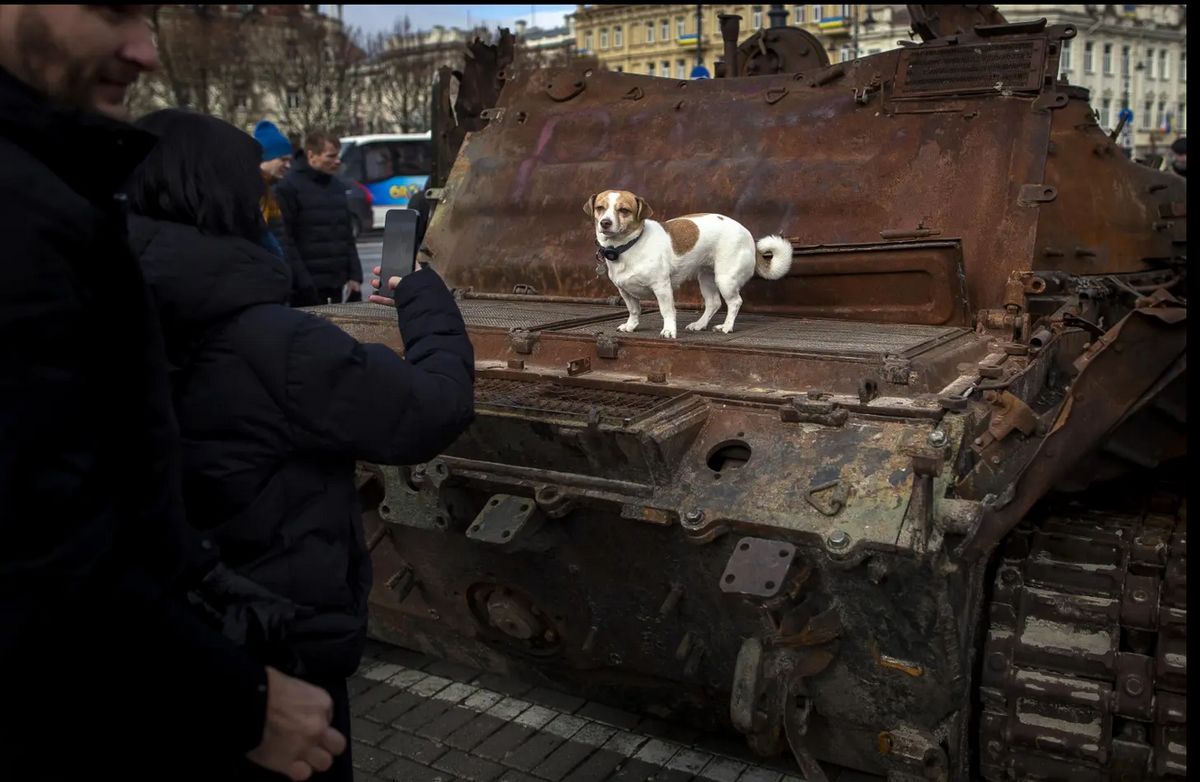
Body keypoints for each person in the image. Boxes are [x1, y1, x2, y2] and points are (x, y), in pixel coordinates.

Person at [0, 6, 346, 780]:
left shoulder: (65, 191)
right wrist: (234, 695)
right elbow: (35, 541)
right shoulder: (28, 210)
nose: (146, 51)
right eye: (111, 7)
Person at [124, 108, 476, 781]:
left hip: (165, 645)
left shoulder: (88, 307)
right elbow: (431, 409)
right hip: (275, 653)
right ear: (226, 199)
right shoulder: (271, 343)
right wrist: (425, 300)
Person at [276, 129, 363, 305]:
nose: (337, 161)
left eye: (337, 156)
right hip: (304, 288)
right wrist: (302, 281)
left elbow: (345, 234)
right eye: (330, 156)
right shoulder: (289, 187)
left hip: (335, 285)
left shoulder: (337, 186)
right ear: (311, 155)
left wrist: (355, 276)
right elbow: (286, 239)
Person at [256, 119, 318, 306]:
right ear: (264, 159)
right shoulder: (255, 193)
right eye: (283, 159)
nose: (288, 165)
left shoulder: (268, 192)